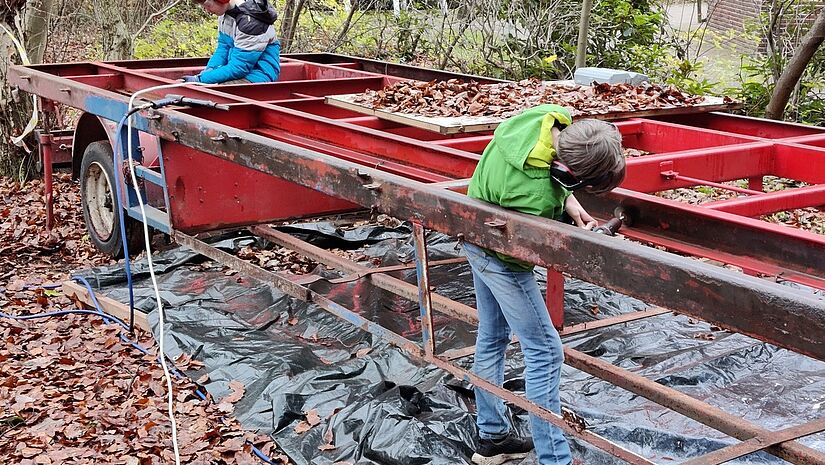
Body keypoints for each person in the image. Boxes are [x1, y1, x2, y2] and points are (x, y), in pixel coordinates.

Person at [465, 104, 625, 465]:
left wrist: (570, 203)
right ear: (570, 173)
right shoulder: (535, 195)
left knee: (492, 335)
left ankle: (492, 436)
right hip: (503, 257)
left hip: (475, 232)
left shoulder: (546, 119)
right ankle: (555, 458)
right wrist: (581, 239)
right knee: (545, 351)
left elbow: (549, 177)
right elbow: (532, 247)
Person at [183, 0, 281, 84]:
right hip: (236, 70)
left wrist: (201, 80)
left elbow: (239, 68)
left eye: (208, 5)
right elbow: (223, 47)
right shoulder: (225, 14)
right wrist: (209, 71)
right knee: (203, 86)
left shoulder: (251, 23)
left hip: (258, 75)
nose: (207, 10)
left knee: (214, 93)